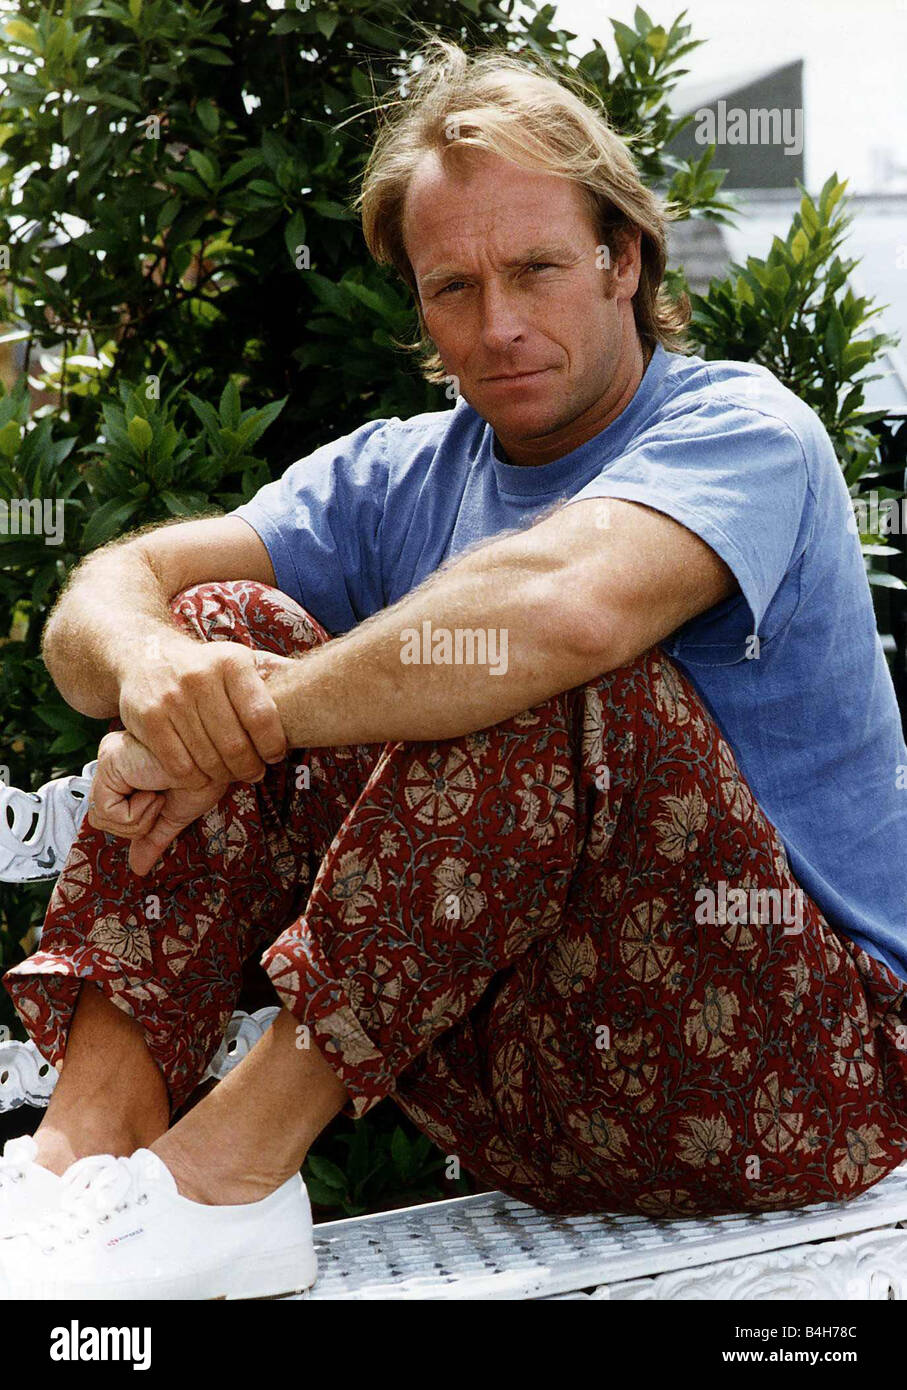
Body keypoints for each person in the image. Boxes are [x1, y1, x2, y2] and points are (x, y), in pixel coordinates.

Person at [2, 35, 907, 1301]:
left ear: (623, 259)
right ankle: (78, 1166)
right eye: (452, 287)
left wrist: (242, 722)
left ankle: (219, 1183)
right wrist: (157, 672)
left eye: (536, 268)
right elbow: (106, 595)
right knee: (213, 618)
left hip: (804, 1080)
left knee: (524, 664)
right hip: (529, 1085)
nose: (499, 325)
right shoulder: (400, 471)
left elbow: (562, 614)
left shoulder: (743, 428)